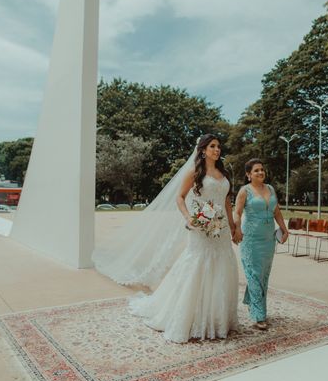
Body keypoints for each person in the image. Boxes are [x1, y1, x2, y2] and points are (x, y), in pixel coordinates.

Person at [94, 134, 239, 343]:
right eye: (213, 146)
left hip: (221, 230)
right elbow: (180, 197)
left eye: (219, 146)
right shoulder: (194, 173)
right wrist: (189, 218)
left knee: (222, 266)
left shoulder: (224, 174)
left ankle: (217, 318)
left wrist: (233, 226)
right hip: (201, 226)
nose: (217, 150)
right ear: (203, 150)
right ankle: (189, 315)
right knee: (198, 265)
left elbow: (227, 202)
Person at [233, 159, 289, 330]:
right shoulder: (245, 191)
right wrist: (236, 229)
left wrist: (284, 228)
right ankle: (259, 315)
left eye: (262, 170)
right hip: (251, 240)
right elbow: (237, 212)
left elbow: (276, 210)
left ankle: (252, 301)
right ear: (248, 175)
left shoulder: (270, 189)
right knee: (254, 275)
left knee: (263, 275)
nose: (260, 173)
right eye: (256, 170)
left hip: (268, 241)